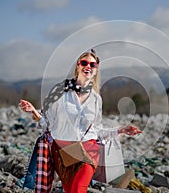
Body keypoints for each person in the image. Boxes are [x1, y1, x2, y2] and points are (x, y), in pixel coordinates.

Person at [19, 49, 142, 193]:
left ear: (96, 70)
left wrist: (121, 130)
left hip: (88, 151)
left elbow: (96, 131)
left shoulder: (96, 99)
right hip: (62, 151)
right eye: (84, 63)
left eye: (92, 64)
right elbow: (48, 124)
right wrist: (34, 112)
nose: (88, 66)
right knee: (70, 190)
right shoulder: (60, 92)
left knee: (78, 189)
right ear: (78, 66)